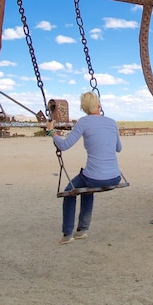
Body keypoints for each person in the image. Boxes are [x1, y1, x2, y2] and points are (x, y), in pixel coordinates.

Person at [46, 91, 123, 244]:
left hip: (94, 178)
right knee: (87, 188)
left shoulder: (83, 122)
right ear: (99, 105)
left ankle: (68, 234)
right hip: (115, 176)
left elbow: (64, 145)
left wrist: (51, 132)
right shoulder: (112, 122)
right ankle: (82, 230)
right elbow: (118, 148)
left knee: (69, 191)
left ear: (84, 108)